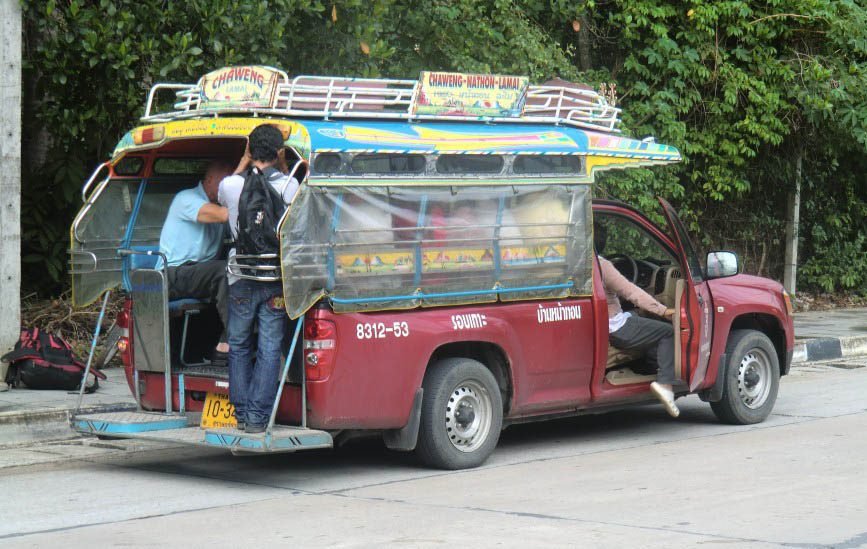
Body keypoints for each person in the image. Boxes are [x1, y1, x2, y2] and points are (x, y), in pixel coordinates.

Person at [218, 124, 299, 433]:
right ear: (279, 153)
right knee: (268, 347)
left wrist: (243, 161)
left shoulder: (230, 186)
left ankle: (239, 413)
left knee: (238, 344)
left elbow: (227, 198)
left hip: (240, 277)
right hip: (274, 280)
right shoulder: (290, 187)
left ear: (249, 151)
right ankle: (256, 418)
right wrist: (284, 165)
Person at [595, 223, 680, 417]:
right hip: (616, 327)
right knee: (667, 332)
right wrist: (663, 310)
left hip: (602, 324)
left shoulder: (580, 264)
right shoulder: (602, 266)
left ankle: (646, 367)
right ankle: (665, 384)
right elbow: (631, 292)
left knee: (642, 319)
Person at [158, 160, 233, 363]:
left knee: (238, 268)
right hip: (170, 275)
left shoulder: (218, 207)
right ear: (209, 180)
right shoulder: (187, 198)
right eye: (225, 183)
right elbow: (225, 215)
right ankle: (233, 341)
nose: (227, 189)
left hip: (195, 275)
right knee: (223, 272)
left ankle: (225, 343)